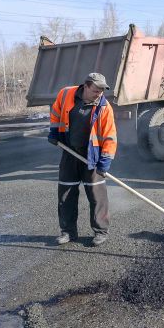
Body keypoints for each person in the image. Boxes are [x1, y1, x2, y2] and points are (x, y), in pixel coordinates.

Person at [48, 73, 117, 246]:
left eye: (102, 90)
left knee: (97, 196)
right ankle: (68, 232)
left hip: (92, 157)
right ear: (85, 86)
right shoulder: (66, 94)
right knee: (66, 194)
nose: (99, 94)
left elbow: (109, 135)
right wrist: (54, 131)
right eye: (96, 90)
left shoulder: (104, 107)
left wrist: (105, 160)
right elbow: (56, 111)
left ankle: (101, 232)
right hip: (69, 153)